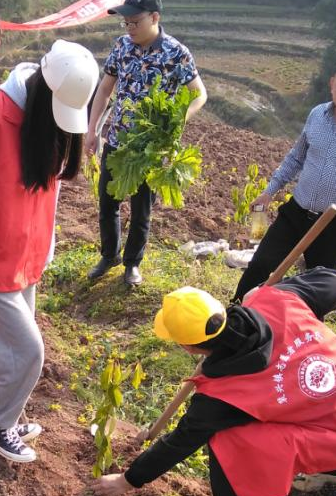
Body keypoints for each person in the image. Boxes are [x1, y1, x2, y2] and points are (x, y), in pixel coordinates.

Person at [93, 270, 336, 496]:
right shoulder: (278, 299)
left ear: (188, 348)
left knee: (227, 438)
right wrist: (273, 290)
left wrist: (127, 481)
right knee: (274, 411)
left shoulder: (221, 396)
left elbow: (178, 444)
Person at [0, 42, 99, 463]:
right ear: (45, 94)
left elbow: (50, 196)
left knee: (5, 347)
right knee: (28, 351)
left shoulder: (47, 126)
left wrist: (46, 249)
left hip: (25, 262)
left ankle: (0, 413)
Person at [232, 54, 336, 303]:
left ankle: (299, 336)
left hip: (334, 224)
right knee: (261, 266)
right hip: (296, 212)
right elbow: (295, 158)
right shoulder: (317, 115)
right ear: (332, 83)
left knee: (315, 289)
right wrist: (270, 191)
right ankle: (236, 320)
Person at [84, 0, 207, 288]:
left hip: (151, 148)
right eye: (125, 23)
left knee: (142, 210)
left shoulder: (176, 53)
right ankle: (109, 256)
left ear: (154, 17)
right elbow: (104, 90)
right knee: (108, 202)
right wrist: (92, 130)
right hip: (118, 139)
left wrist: (178, 118)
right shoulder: (122, 47)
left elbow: (199, 94)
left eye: (134, 22)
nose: (129, 28)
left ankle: (132, 264)